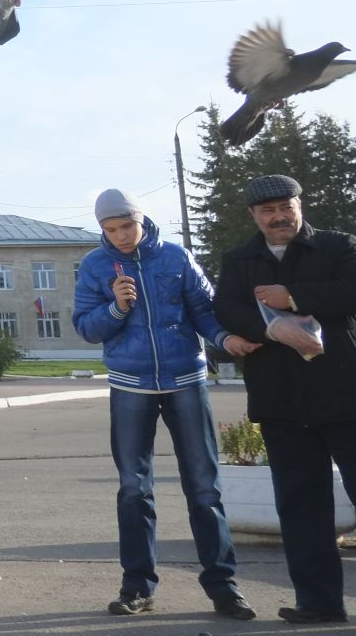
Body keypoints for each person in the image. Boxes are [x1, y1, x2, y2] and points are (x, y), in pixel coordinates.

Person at [212, 173, 356, 631]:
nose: (278, 216)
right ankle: (318, 603)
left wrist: (292, 297)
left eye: (285, 207)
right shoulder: (240, 260)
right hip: (283, 403)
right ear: (254, 216)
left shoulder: (339, 245)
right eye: (267, 210)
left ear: (300, 205)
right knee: (300, 506)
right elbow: (227, 310)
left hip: (354, 396)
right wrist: (271, 327)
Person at [73, 187, 257, 620]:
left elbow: (204, 311)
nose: (120, 235)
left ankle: (224, 587)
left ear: (142, 218)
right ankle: (137, 587)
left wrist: (224, 339)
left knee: (204, 487)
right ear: (102, 229)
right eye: (111, 228)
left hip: (186, 380)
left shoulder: (175, 257)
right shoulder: (95, 266)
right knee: (134, 489)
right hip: (130, 385)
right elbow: (86, 327)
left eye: (127, 225)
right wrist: (117, 307)